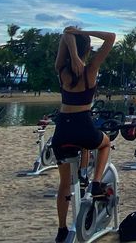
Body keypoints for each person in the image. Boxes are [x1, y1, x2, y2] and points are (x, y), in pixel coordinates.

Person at [51, 26, 116, 243]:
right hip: (84, 127)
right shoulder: (91, 70)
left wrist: (70, 39)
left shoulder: (62, 70)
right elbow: (110, 37)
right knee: (105, 144)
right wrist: (84, 33)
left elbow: (64, 35)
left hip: (62, 130)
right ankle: (96, 182)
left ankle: (61, 230)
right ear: (87, 48)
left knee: (64, 185)